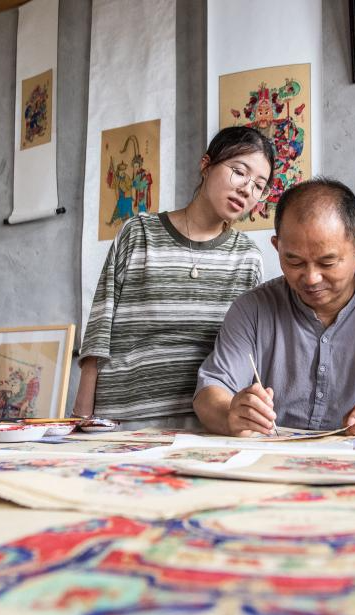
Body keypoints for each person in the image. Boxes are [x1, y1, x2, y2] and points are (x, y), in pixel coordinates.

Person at [194, 178, 355, 437]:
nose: (311, 278)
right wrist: (230, 413)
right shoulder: (252, 310)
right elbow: (210, 390)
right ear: (277, 247)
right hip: (272, 455)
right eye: (294, 261)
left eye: (327, 263)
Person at [74, 126, 276, 425]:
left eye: (259, 186)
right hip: (124, 416)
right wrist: (81, 416)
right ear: (206, 165)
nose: (247, 190)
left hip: (204, 423)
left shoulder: (247, 257)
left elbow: (244, 350)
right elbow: (100, 325)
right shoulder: (138, 233)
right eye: (239, 172)